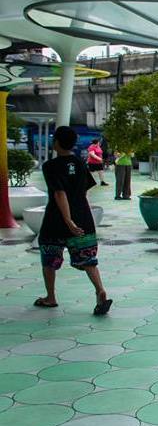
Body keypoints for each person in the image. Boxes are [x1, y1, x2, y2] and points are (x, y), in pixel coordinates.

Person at [34, 126, 113, 316]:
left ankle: (50, 297)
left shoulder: (50, 166)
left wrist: (68, 220)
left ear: (57, 143)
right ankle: (99, 290)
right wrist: (77, 213)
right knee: (88, 259)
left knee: (49, 258)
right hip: (83, 217)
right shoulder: (79, 163)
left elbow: (59, 193)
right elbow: (84, 189)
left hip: (57, 220)